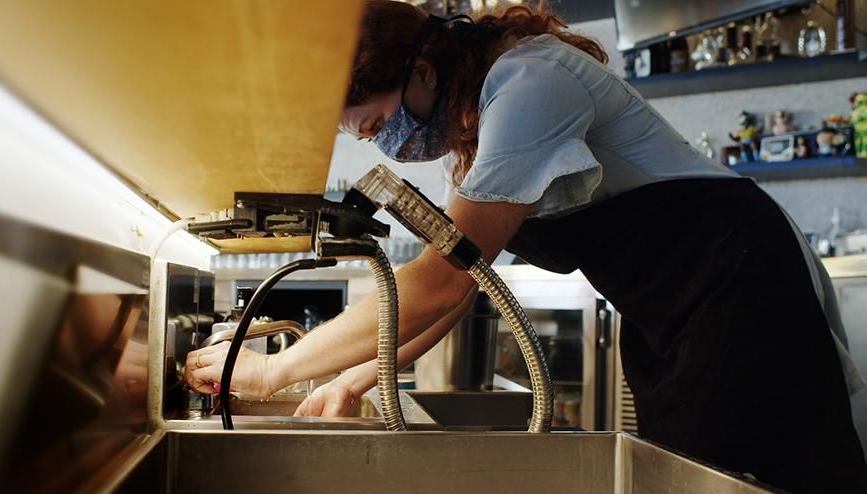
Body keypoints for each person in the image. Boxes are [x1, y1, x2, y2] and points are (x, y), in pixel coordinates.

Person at [185, 2, 867, 491]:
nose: (381, 143)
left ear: (423, 69)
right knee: (693, 475)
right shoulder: (486, 123)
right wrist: (352, 379)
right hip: (670, 306)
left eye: (379, 123)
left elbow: (439, 282)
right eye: (365, 137)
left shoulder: (529, 85)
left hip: (737, 275)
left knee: (762, 470)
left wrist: (270, 372)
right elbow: (468, 279)